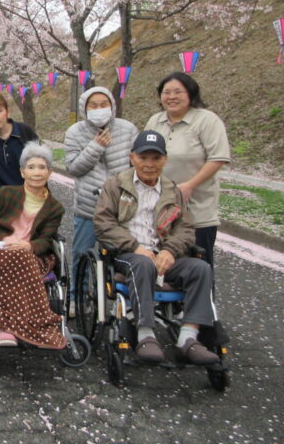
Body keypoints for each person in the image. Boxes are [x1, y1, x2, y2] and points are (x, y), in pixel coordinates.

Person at [93, 130, 221, 365]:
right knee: (142, 263)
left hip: (165, 255)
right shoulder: (115, 186)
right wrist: (135, 246)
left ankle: (188, 337)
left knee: (201, 268)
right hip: (128, 255)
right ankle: (145, 334)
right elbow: (104, 223)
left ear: (165, 160)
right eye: (143, 158)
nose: (149, 164)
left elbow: (185, 227)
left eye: (156, 158)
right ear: (132, 158)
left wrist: (169, 250)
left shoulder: (173, 190)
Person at [0, 142, 67, 349]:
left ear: (50, 172)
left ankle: (10, 327)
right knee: (8, 258)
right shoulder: (6, 193)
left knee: (21, 257)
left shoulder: (55, 208)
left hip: (30, 256)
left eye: (42, 167)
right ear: (22, 172)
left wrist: (28, 246)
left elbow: (47, 239)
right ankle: (17, 326)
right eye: (31, 167)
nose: (36, 172)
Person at [64, 86, 138, 315]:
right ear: (85, 108)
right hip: (89, 206)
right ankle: (77, 297)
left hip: (121, 209)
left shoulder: (127, 130)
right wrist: (96, 147)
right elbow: (73, 167)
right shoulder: (75, 132)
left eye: (103, 104)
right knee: (81, 253)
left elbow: (137, 164)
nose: (98, 109)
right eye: (93, 105)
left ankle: (121, 301)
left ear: (112, 106)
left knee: (122, 255)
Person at [145, 72, 230, 268]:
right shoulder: (155, 121)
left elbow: (218, 158)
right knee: (163, 268)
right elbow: (142, 158)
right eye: (166, 92)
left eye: (177, 92)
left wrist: (191, 185)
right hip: (159, 209)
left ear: (191, 93)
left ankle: (203, 300)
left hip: (196, 210)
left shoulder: (207, 120)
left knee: (198, 268)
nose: (171, 97)